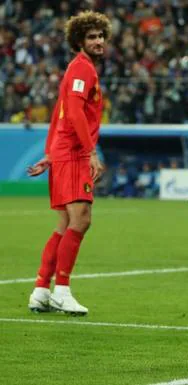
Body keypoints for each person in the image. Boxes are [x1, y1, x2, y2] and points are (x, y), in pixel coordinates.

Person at [26, 11, 111, 315]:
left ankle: (40, 289)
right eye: (91, 37)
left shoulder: (80, 69)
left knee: (65, 223)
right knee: (81, 218)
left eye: (101, 36)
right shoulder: (82, 69)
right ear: (79, 41)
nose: (98, 41)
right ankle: (61, 289)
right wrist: (90, 151)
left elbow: (59, 111)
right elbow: (73, 112)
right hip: (74, 153)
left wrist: (50, 153)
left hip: (65, 151)